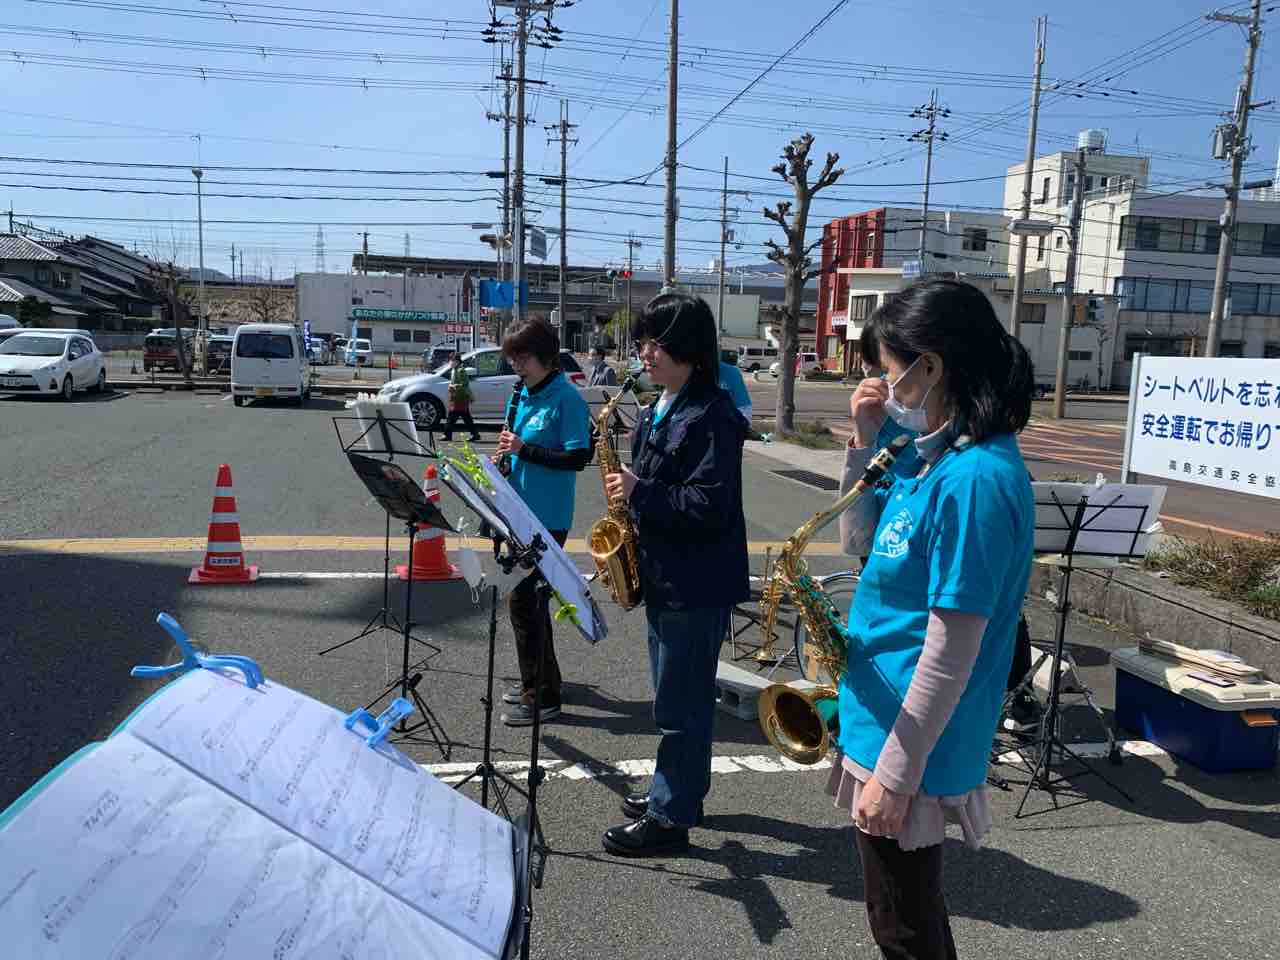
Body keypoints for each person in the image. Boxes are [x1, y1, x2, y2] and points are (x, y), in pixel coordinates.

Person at [830, 278, 1035, 959]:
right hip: (884, 718)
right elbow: (860, 542)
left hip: (910, 740)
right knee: (902, 915)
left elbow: (952, 652)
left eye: (888, 369)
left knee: (904, 927)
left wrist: (895, 774)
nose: (882, 385)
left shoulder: (974, 480)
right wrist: (864, 440)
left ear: (930, 367)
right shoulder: (930, 458)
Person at [601, 293, 750, 857]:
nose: (644, 352)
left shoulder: (713, 415)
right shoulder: (659, 405)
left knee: (679, 704)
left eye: (655, 343)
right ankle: (682, 792)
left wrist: (640, 490)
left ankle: (670, 817)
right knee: (679, 697)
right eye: (643, 341)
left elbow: (709, 504)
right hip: (666, 572)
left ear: (688, 348)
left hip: (696, 579)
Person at [493, 319, 592, 727]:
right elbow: (515, 448)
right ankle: (537, 681)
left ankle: (543, 697)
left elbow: (577, 458)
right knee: (526, 604)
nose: (516, 365)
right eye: (512, 358)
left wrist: (523, 450)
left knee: (527, 603)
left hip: (547, 519)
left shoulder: (566, 399)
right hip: (518, 512)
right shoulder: (523, 394)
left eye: (523, 357)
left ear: (546, 356)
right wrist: (504, 462)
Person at [443, 351, 481, 443]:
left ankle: (447, 435)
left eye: (451, 360)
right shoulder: (454, 370)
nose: (450, 362)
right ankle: (475, 434)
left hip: (460, 398)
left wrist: (453, 386)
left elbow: (465, 384)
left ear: (457, 361)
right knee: (465, 417)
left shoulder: (461, 371)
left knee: (452, 417)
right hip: (456, 398)